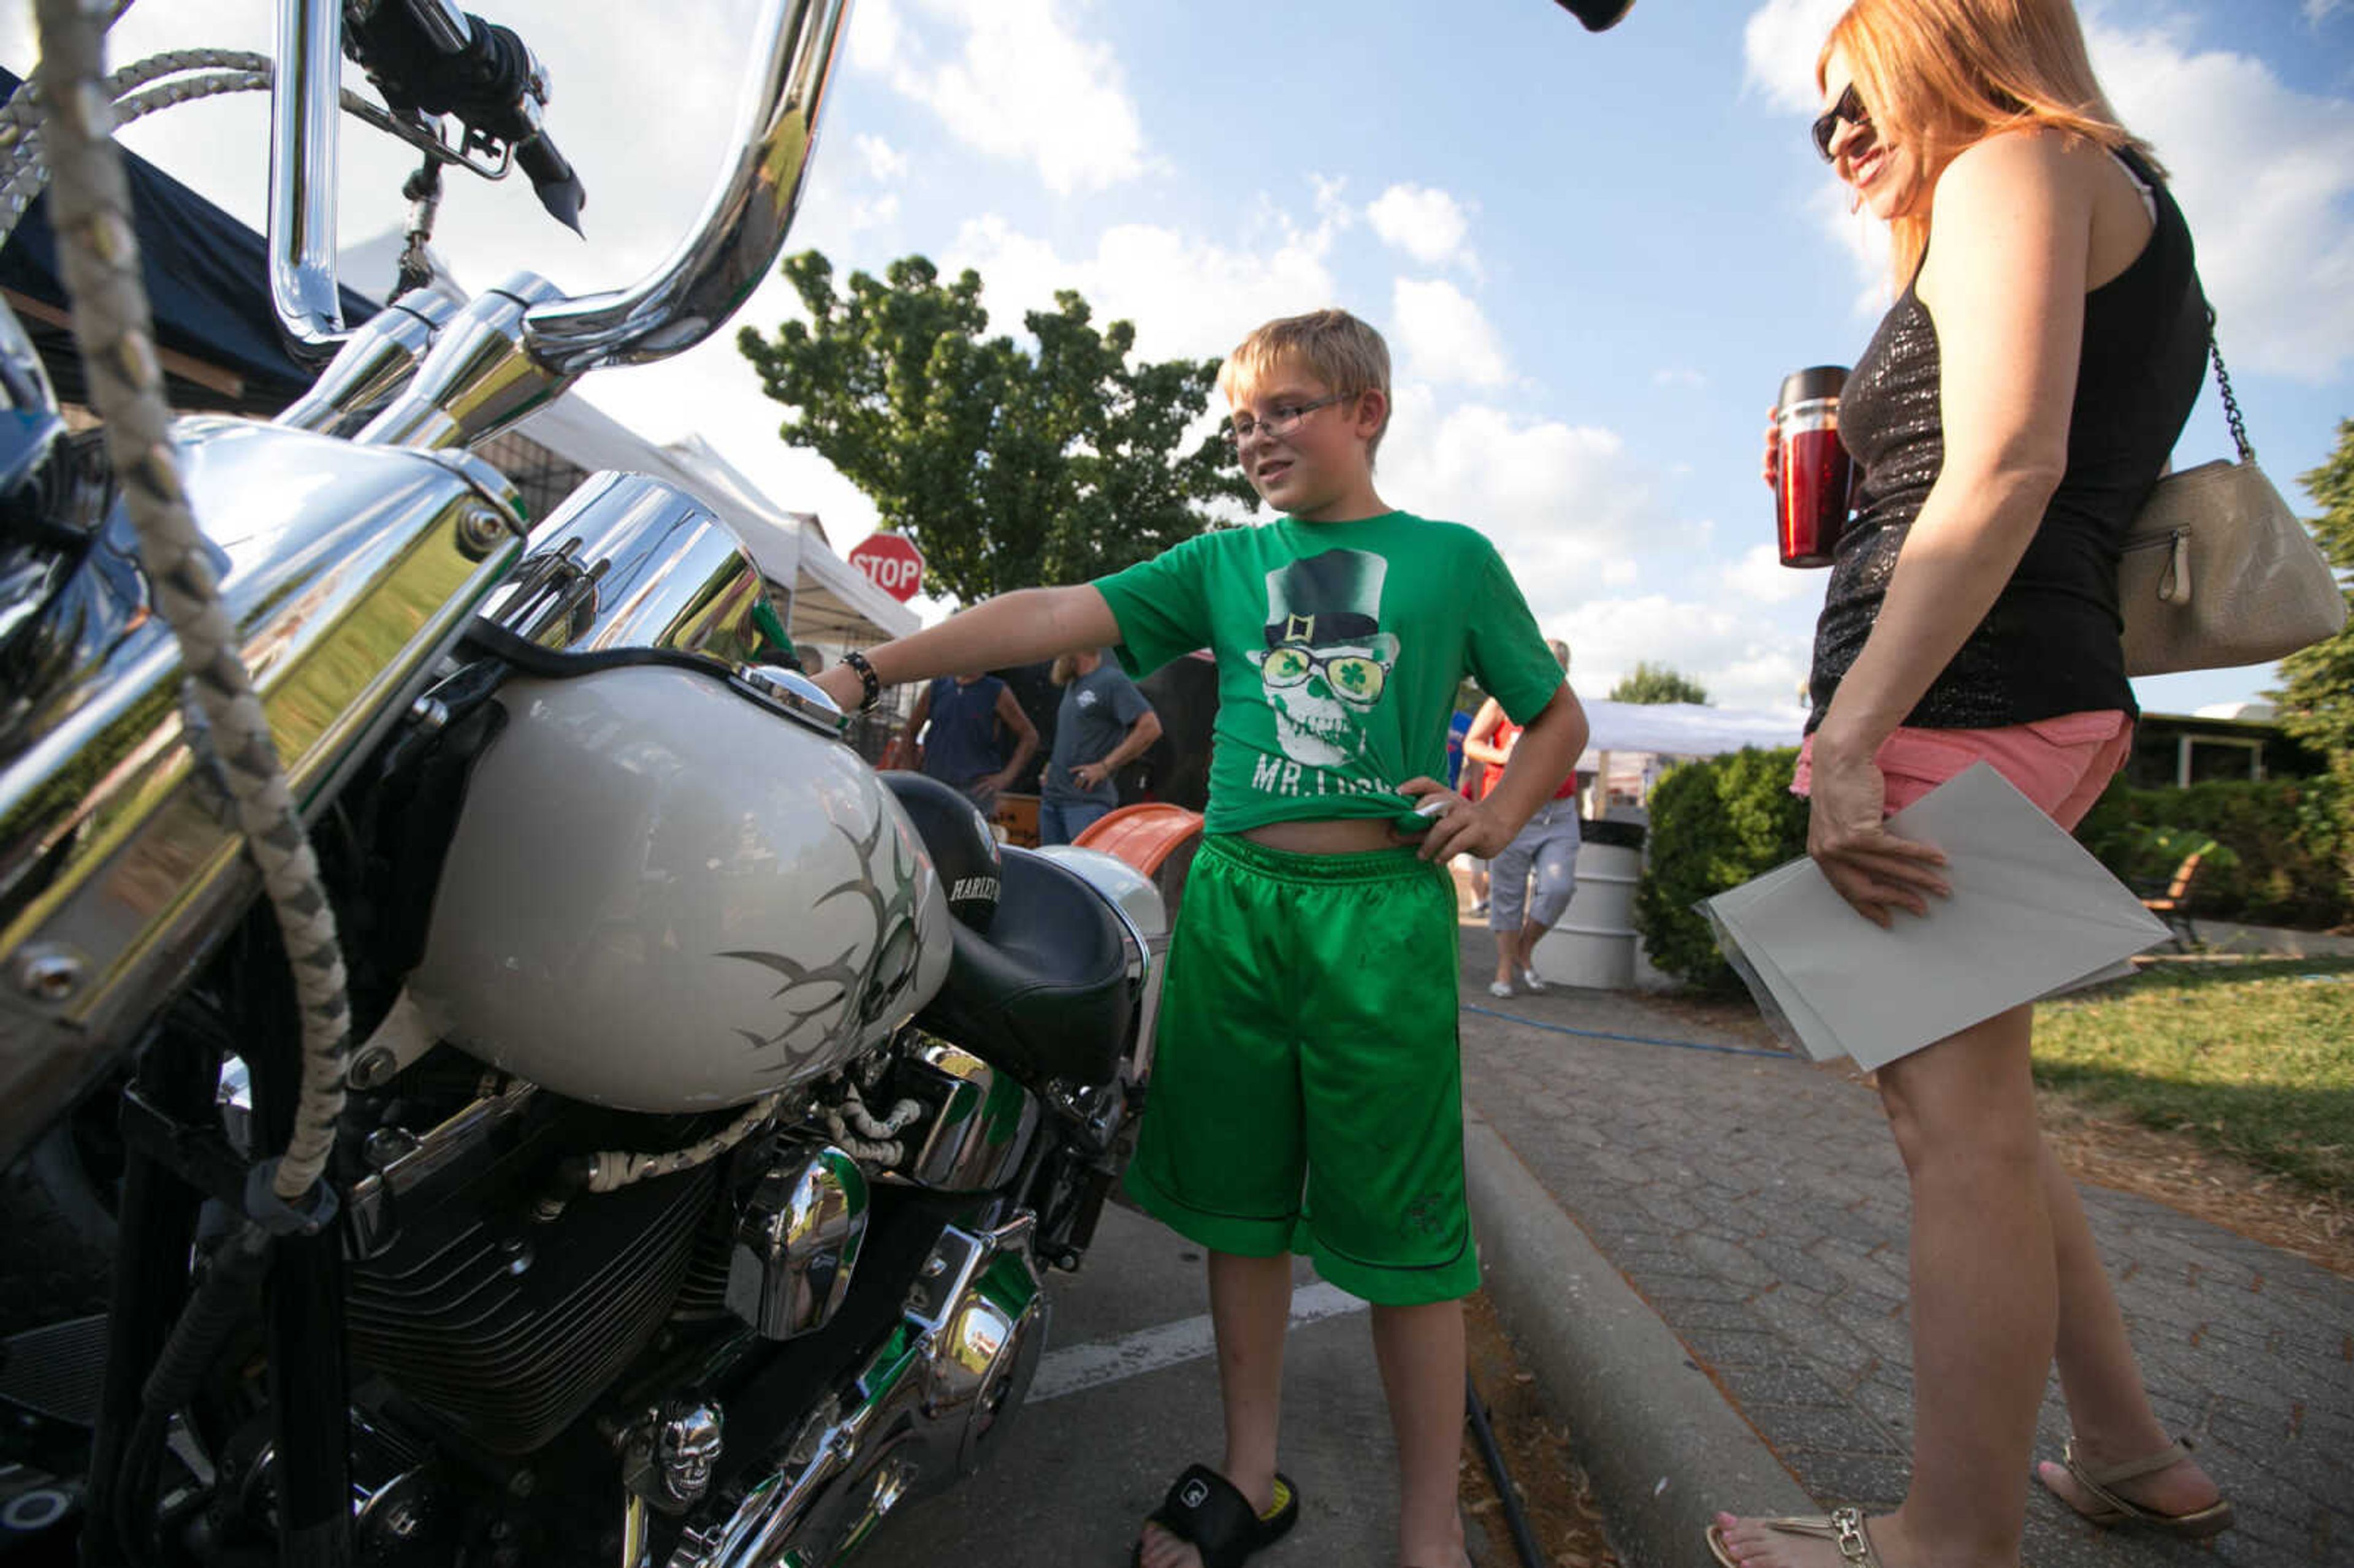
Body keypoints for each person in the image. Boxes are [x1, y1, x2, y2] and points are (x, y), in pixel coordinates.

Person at [816, 308, 1586, 1568]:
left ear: (1366, 411)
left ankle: (1431, 1528)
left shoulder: (1449, 559)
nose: (1257, 435)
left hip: (1378, 926)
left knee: (1408, 1230)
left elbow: (1554, 716)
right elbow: (1055, 608)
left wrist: (1497, 814)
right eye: (1242, 419)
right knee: (1236, 1211)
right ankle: (1249, 1472)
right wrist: (868, 669)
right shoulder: (1226, 567)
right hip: (1231, 913)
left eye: (1286, 408)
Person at [1710, 3, 2228, 1565]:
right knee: (1983, 1114)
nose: (1844, 144)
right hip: (2011, 689)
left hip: (1963, 695)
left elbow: (2004, 464)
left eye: (1858, 102)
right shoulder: (2078, 190)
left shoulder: (2018, 161)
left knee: (1956, 1134)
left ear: (1958, 40)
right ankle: (2130, 1451)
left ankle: (1949, 1537)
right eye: (1822, 125)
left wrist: (1853, 735)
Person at [1463, 639, 1581, 997]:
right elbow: (1473, 744)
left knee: (1559, 888)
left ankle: (1523, 951)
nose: (1550, 672)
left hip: (1559, 813)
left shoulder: (1567, 706)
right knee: (1508, 893)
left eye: (1559, 667)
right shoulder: (1503, 701)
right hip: (1514, 809)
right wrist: (1504, 756)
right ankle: (1505, 969)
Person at [1039, 647, 1162, 845]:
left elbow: (1150, 727)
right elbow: (1078, 735)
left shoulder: (1110, 681)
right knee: (1051, 872)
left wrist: (1105, 766)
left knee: (1081, 872)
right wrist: (1052, 764)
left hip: (1085, 805)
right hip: (1053, 800)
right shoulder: (1074, 685)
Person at [905, 668, 1037, 812]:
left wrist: (1006, 777)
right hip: (934, 785)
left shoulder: (996, 690)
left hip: (974, 791)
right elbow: (910, 730)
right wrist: (912, 774)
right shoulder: (937, 687)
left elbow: (1029, 736)